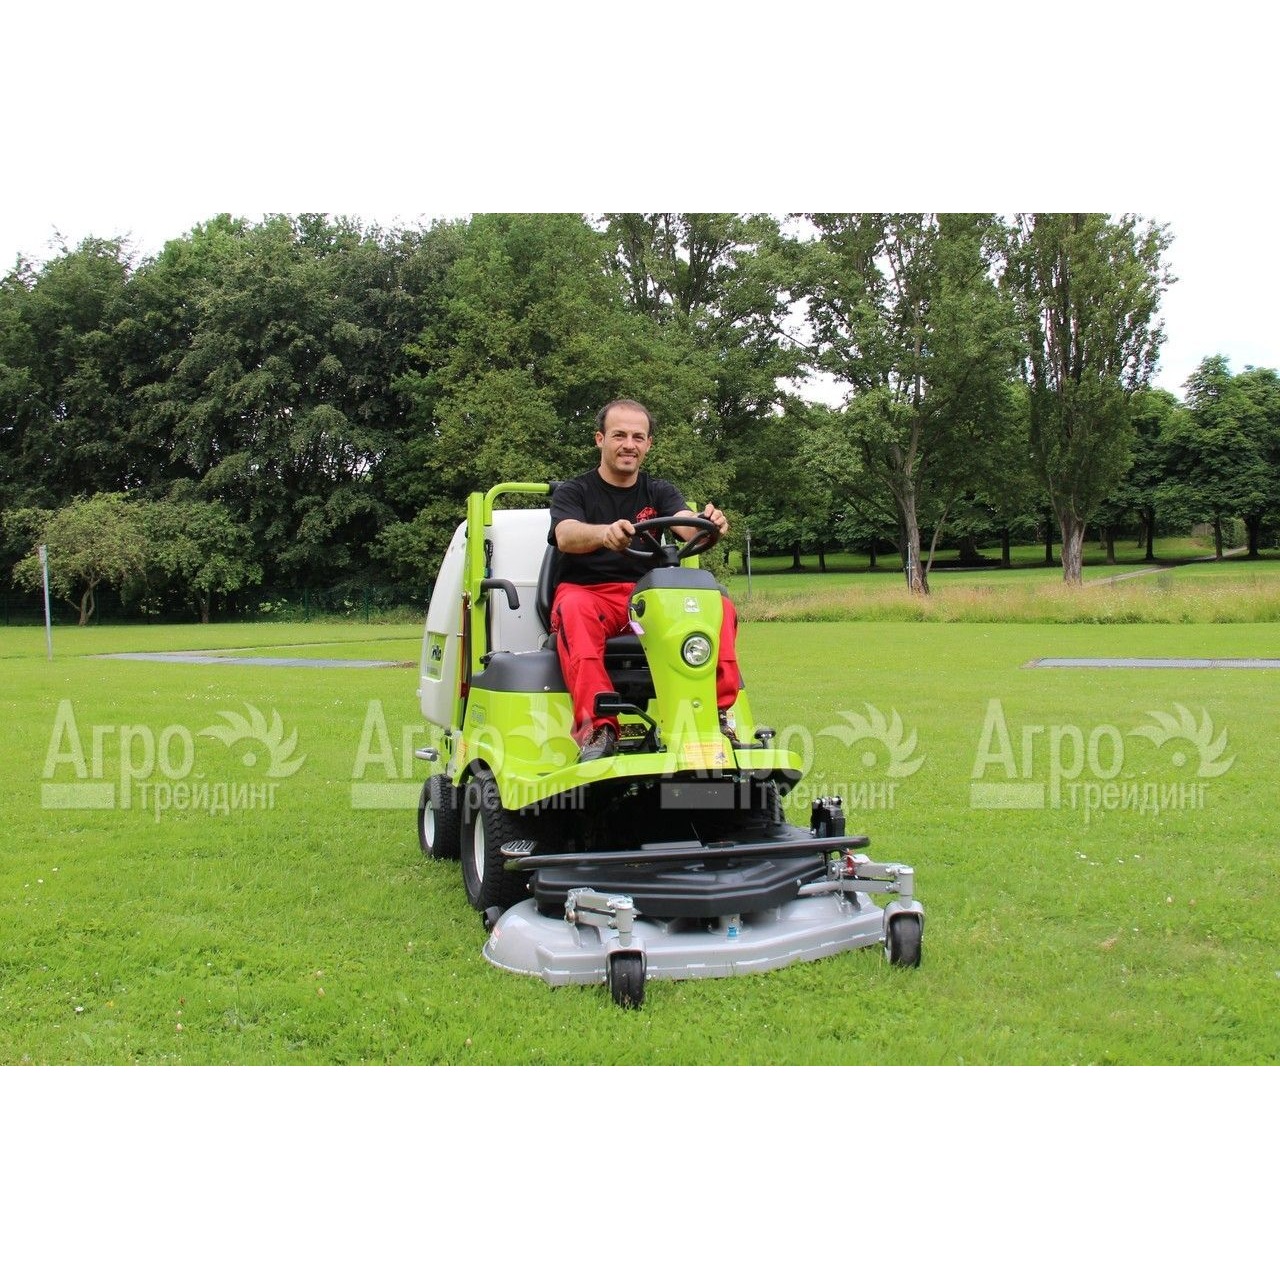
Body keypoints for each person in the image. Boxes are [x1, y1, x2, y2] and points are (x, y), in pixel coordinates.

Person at [548, 398, 741, 762]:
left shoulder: (659, 490)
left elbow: (686, 525)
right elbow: (566, 534)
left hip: (646, 600)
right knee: (574, 609)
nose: (629, 445)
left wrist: (709, 524)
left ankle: (715, 716)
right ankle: (599, 729)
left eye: (638, 437)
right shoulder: (575, 491)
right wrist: (604, 533)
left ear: (649, 444)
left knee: (719, 605)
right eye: (619, 435)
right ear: (600, 439)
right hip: (590, 595)